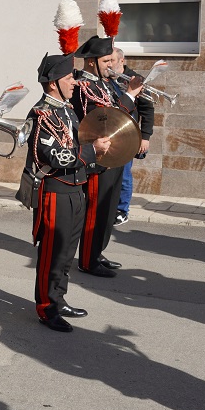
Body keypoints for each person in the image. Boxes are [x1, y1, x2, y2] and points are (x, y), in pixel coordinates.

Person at [26, 54, 110, 332]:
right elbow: (56, 155)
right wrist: (92, 151)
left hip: (75, 187)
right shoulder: (41, 114)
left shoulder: (66, 109)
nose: (74, 82)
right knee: (52, 252)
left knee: (66, 252)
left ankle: (58, 299)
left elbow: (76, 143)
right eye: (68, 78)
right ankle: (46, 307)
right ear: (52, 84)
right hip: (55, 191)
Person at [71, 36, 142, 277]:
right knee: (95, 211)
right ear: (91, 62)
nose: (111, 64)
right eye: (107, 60)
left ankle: (97, 252)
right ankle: (88, 260)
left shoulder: (104, 83)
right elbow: (109, 121)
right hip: (96, 159)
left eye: (112, 59)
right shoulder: (84, 87)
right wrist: (130, 95)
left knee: (108, 210)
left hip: (112, 156)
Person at [111, 48, 153, 226]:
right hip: (111, 133)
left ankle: (122, 209)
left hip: (129, 135)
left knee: (125, 174)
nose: (109, 63)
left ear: (122, 61)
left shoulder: (135, 79)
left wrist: (145, 137)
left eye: (112, 60)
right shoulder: (106, 80)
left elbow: (148, 109)